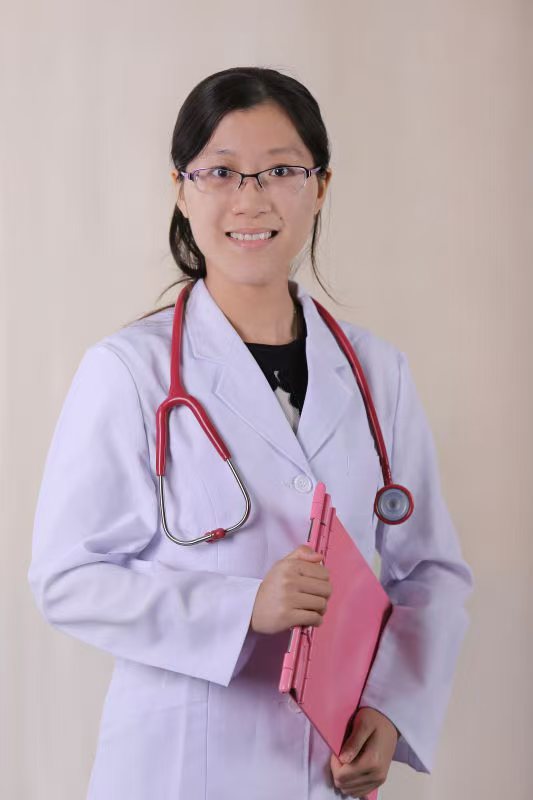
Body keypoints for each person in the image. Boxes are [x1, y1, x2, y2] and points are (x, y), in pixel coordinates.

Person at [27, 66, 474, 800]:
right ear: (181, 189)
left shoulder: (377, 373)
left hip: (328, 766)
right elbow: (69, 577)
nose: (250, 198)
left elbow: (429, 573)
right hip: (179, 769)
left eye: (281, 171)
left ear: (320, 187)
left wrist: (391, 710)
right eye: (221, 172)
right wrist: (243, 608)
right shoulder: (130, 371)